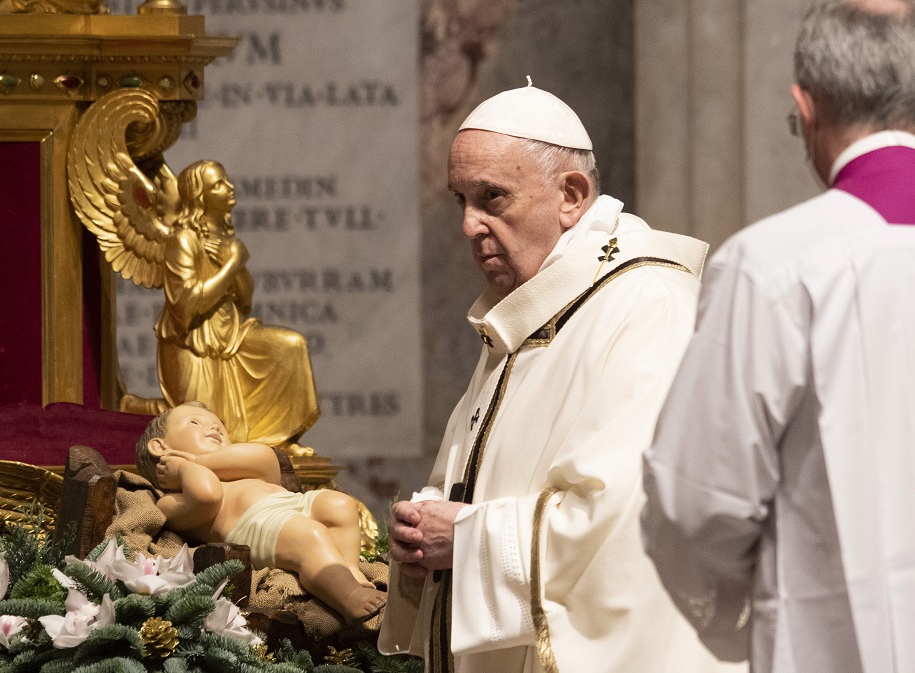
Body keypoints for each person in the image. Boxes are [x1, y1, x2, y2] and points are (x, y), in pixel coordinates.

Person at [379, 82, 736, 673]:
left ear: (571, 195)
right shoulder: (538, 306)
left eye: (492, 198)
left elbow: (633, 520)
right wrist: (425, 533)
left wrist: (468, 542)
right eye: (460, 200)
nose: (470, 225)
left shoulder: (648, 306)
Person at [641, 2, 915, 672]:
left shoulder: (774, 264)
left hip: (833, 638)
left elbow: (695, 501)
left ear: (806, 105)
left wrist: (749, 604)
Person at [134, 401, 386, 625]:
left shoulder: (239, 467)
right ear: (160, 447)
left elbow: (265, 457)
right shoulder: (170, 502)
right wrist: (183, 467)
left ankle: (351, 572)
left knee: (339, 504)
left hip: (291, 503)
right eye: (195, 422)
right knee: (310, 535)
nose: (215, 428)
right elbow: (207, 495)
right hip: (256, 525)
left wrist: (199, 461)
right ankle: (348, 596)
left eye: (220, 426)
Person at [151, 160, 320, 451]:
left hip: (230, 334)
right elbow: (185, 307)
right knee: (203, 422)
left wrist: (237, 267)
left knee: (291, 346)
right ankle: (136, 409)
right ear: (200, 197)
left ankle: (279, 440)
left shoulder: (226, 239)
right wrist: (231, 265)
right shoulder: (183, 240)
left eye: (226, 181)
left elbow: (244, 302)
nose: (229, 188)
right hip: (192, 341)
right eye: (218, 184)